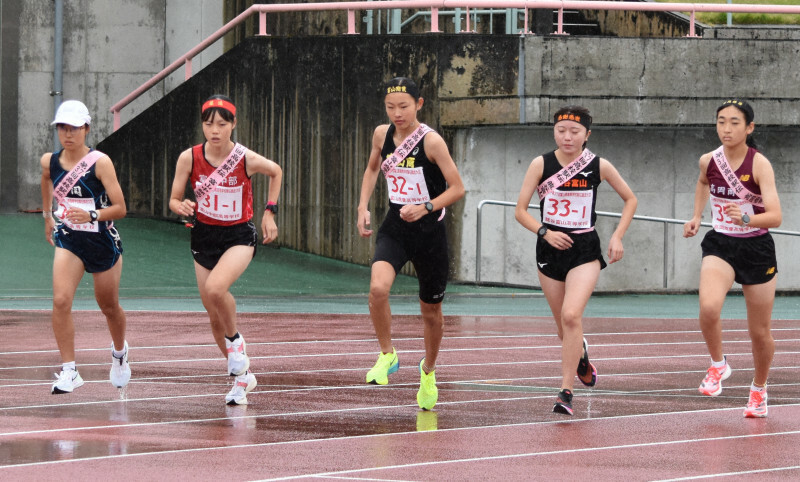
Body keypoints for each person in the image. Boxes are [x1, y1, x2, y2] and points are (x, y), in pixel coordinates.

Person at [515, 105, 637, 416]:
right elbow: (520, 211)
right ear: (554, 131)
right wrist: (544, 231)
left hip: (584, 249)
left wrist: (617, 236)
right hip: (550, 249)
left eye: (574, 132)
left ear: (587, 135)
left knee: (572, 316)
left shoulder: (598, 165)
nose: (567, 137)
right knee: (563, 328)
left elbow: (630, 199)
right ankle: (580, 354)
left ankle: (565, 392)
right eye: (561, 130)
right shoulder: (540, 164)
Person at [357, 77, 465, 410]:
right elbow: (373, 167)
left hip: (429, 231)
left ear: (419, 104)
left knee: (431, 312)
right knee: (378, 289)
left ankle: (428, 371)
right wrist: (362, 205)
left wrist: (426, 206)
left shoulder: (431, 142)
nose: (397, 113)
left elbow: (458, 188)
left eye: (404, 106)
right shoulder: (381, 134)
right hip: (396, 225)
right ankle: (388, 354)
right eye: (390, 107)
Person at [169, 94, 282, 405]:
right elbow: (174, 199)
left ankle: (236, 344)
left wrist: (269, 210)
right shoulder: (189, 158)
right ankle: (241, 378)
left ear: (233, 125)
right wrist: (182, 205)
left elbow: (276, 171)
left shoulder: (244, 158)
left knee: (217, 289)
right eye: (208, 124)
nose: (214, 130)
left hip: (238, 236)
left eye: (221, 124)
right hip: (203, 235)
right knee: (212, 312)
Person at [683, 99, 781, 418]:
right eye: (721, 121)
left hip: (756, 248)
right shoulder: (708, 160)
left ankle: (758, 389)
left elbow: (776, 216)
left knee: (759, 332)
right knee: (709, 306)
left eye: (735, 122)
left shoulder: (759, 165)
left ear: (749, 128)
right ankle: (718, 365)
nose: (727, 128)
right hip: (721, 242)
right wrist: (697, 216)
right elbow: (702, 182)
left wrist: (747, 219)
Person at [40, 100, 131, 394]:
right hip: (69, 240)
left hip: (101, 240)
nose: (68, 134)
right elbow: (45, 180)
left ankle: (119, 354)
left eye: (75, 128)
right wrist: (46, 216)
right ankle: (70, 371)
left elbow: (120, 208)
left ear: (87, 129)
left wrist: (92, 214)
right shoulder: (49, 161)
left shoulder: (100, 162)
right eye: (63, 128)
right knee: (61, 300)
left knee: (108, 306)